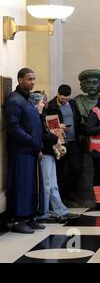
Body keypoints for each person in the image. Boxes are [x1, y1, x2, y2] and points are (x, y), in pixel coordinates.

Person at [4, 68, 45, 234]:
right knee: (22, 185)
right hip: (21, 150)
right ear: (20, 80)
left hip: (32, 149)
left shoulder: (27, 98)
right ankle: (18, 220)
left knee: (32, 185)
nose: (33, 82)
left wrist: (37, 145)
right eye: (29, 79)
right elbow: (13, 127)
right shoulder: (14, 100)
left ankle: (29, 217)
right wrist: (31, 140)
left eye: (34, 79)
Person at [30, 93, 80, 224]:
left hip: (49, 151)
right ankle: (43, 213)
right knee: (46, 185)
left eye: (44, 101)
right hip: (44, 152)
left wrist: (57, 134)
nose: (44, 103)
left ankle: (60, 210)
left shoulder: (42, 116)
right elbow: (41, 135)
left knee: (53, 184)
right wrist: (55, 138)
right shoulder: (35, 118)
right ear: (35, 104)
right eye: (41, 101)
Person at [46, 85, 83, 205]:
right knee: (59, 170)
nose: (65, 101)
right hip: (59, 142)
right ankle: (61, 196)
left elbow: (77, 119)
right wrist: (58, 126)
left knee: (76, 168)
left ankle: (71, 191)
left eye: (67, 99)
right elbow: (48, 124)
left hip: (73, 141)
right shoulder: (51, 105)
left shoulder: (72, 103)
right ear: (58, 94)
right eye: (62, 99)